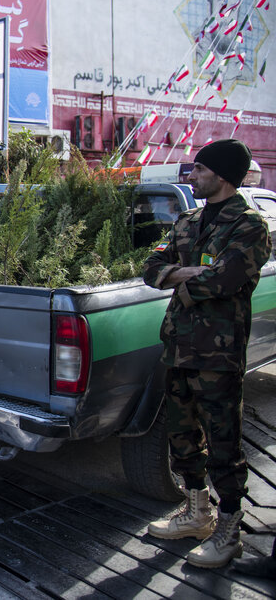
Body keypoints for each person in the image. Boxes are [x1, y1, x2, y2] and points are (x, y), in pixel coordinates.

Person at [143, 139, 272, 569]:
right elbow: (150, 269)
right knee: (182, 437)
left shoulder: (249, 225)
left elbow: (225, 281)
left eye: (198, 169)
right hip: (178, 345)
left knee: (224, 442)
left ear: (221, 175)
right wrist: (187, 272)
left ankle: (230, 529)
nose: (192, 176)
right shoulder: (188, 220)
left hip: (218, 354)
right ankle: (198, 513)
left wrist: (179, 278)